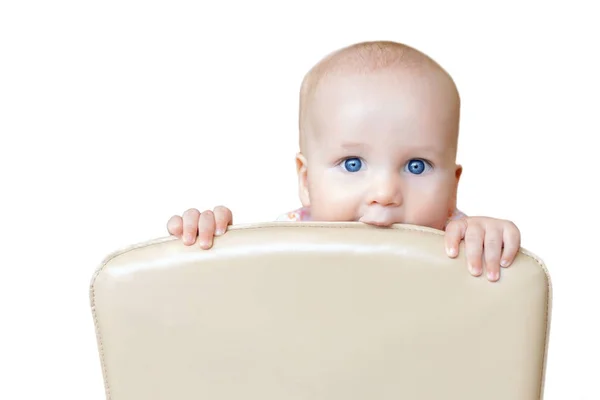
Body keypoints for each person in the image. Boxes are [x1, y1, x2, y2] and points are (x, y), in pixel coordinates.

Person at [166, 40, 521, 282]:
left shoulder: (457, 241)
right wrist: (210, 246)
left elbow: (491, 317)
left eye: (417, 165)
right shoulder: (283, 243)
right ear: (306, 182)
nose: (384, 193)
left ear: (452, 187)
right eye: (352, 163)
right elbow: (235, 314)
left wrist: (491, 243)